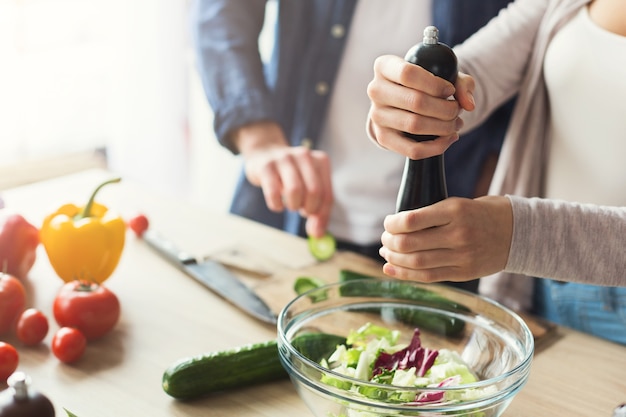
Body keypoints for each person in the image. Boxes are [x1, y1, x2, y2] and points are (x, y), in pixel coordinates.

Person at [189, 0, 513, 293]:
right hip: (290, 209)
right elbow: (221, 12)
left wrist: (493, 191)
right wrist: (258, 139)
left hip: (449, 234)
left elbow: (527, 49)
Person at [367, 0, 626, 344]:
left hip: (539, 257)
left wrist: (523, 236)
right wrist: (410, 98)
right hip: (544, 289)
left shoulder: (525, 241)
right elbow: (477, 74)